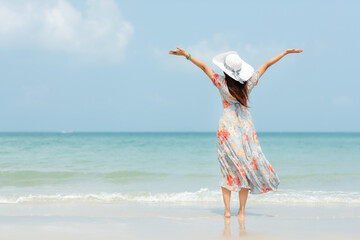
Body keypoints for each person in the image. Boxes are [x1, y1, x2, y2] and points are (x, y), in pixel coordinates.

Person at [169, 46, 303, 218]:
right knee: (245, 169)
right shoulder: (248, 85)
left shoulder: (221, 83)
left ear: (226, 70)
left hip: (226, 129)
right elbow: (266, 65)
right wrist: (285, 53)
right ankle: (241, 211)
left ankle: (226, 211)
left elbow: (204, 67)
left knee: (228, 171)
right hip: (245, 130)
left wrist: (186, 55)